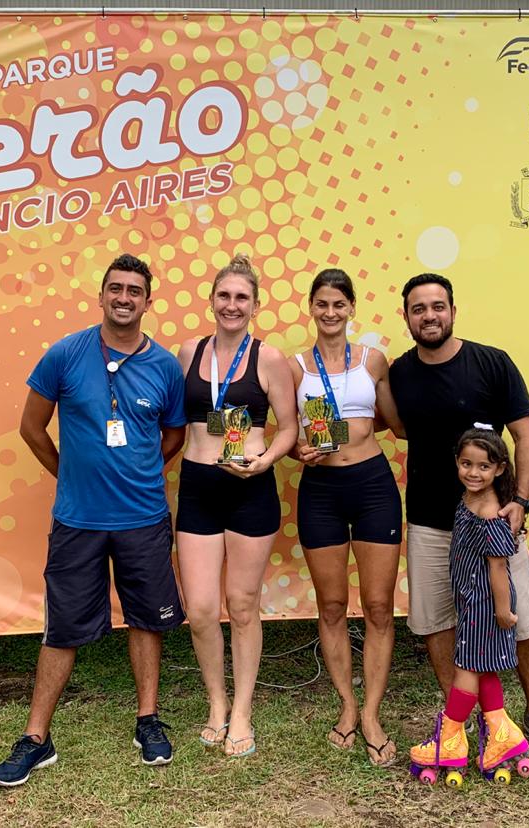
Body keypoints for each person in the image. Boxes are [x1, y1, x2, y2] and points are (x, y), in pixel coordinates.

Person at [0, 254, 187, 786]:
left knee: (147, 619)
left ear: (149, 302)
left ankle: (147, 720)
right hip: (78, 518)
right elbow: (32, 427)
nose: (124, 298)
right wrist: (68, 474)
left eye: (134, 291)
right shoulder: (65, 354)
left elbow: (174, 436)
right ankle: (36, 737)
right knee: (63, 628)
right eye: (115, 289)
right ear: (101, 296)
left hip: (143, 516)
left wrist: (139, 472)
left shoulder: (166, 367)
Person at [387, 272, 529, 763]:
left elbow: (525, 435)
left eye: (437, 306)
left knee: (522, 616)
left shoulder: (491, 362)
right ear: (406, 318)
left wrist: (521, 502)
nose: (429, 316)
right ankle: (460, 724)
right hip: (429, 520)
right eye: (419, 308)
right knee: (437, 621)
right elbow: (388, 425)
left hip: (493, 522)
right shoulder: (400, 373)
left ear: (453, 310)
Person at [176, 253, 299, 758]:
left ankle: (243, 711)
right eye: (224, 295)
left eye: (241, 297)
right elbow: (171, 419)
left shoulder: (268, 359)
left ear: (254, 304)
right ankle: (216, 704)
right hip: (198, 486)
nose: (232, 305)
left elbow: (290, 427)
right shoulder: (187, 351)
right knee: (202, 609)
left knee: (242, 606)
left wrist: (265, 460)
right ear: (211, 300)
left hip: (249, 488)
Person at [288, 269, 402, 767]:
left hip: (374, 486)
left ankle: (373, 713)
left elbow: (395, 422)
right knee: (332, 607)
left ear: (351, 308)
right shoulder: (293, 367)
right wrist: (300, 450)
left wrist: (357, 429)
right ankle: (347, 707)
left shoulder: (373, 360)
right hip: (321, 491)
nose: (330, 313)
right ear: (310, 308)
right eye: (322, 304)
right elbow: (287, 435)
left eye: (339, 304)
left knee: (378, 608)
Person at [409, 429, 529, 780]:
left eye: (483, 466)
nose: (473, 473)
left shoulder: (491, 515)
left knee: (465, 669)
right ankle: (501, 736)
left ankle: (449, 740)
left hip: (485, 607)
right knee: (484, 670)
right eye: (466, 464)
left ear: (499, 469)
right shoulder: (468, 499)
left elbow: (498, 570)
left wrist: (503, 611)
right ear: (457, 463)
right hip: (470, 601)